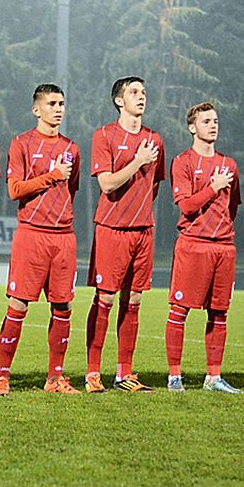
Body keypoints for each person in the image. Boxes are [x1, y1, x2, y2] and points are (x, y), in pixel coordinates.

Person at [0, 83, 81, 396]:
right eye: (52, 103)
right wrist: (52, 176)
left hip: (64, 238)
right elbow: (15, 190)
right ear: (36, 109)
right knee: (18, 306)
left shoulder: (72, 147)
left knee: (63, 307)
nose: (58, 109)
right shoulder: (21, 144)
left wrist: (59, 180)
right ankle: (2, 376)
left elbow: (71, 192)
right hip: (32, 234)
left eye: (61, 104)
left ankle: (55, 378)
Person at [84, 76, 165, 393]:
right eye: (134, 92)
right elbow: (106, 184)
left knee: (134, 301)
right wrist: (138, 161)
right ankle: (93, 373)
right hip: (111, 228)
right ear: (119, 101)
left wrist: (139, 207)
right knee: (105, 299)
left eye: (144, 92)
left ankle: (124, 373)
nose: (141, 97)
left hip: (143, 230)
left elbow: (154, 185)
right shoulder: (104, 135)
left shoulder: (155, 139)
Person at [165, 102, 241, 394]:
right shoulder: (183, 162)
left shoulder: (229, 164)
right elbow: (186, 206)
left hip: (223, 247)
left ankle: (213, 377)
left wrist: (220, 228)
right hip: (193, 245)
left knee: (219, 313)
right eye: (206, 121)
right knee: (179, 311)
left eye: (216, 120)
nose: (213, 125)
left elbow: (232, 207)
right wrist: (213, 186)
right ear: (192, 127)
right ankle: (174, 376)